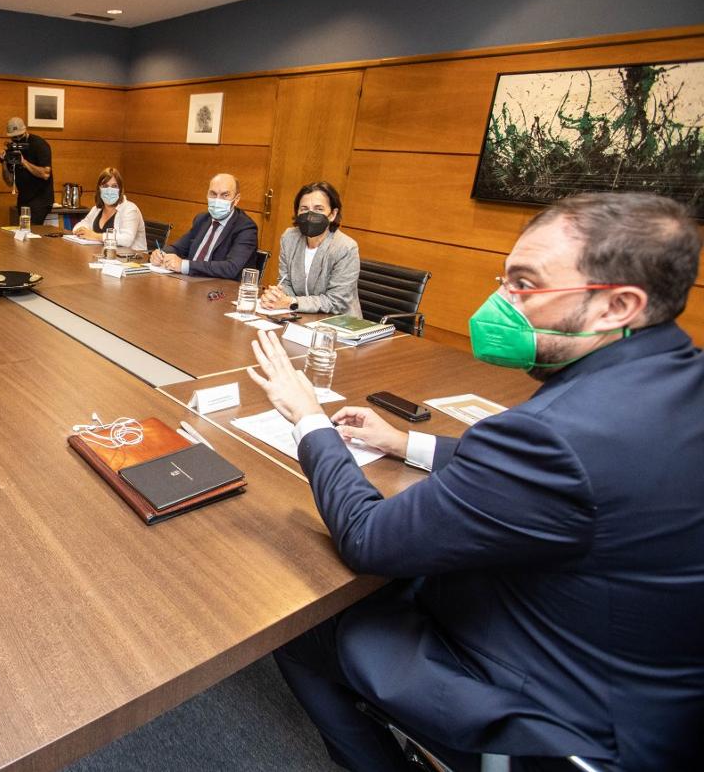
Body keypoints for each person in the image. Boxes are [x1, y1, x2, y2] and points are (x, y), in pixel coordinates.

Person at [245, 192, 704, 771]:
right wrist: (404, 442)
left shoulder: (555, 436)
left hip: (561, 717)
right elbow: (565, 471)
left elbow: (368, 537)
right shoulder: (670, 381)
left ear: (617, 306)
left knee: (298, 624)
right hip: (651, 687)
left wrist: (308, 416)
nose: (499, 302)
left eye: (524, 285)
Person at [261, 181, 361, 316]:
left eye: (319, 209)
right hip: (301, 317)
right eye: (304, 209)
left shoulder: (345, 247)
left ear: (332, 214)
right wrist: (277, 296)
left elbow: (336, 302)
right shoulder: (289, 238)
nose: (310, 215)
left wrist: (290, 302)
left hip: (338, 324)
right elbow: (286, 282)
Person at [149, 173, 258, 279]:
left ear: (236, 199)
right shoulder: (202, 219)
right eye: (213, 194)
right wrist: (161, 254)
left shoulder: (246, 228)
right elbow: (178, 248)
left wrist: (184, 265)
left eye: (225, 195)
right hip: (188, 282)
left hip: (219, 290)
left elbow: (231, 268)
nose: (217, 200)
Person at [72, 167, 146, 250]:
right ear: (99, 189)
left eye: (114, 186)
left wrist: (95, 236)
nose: (109, 190)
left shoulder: (130, 209)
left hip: (131, 259)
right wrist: (82, 231)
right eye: (105, 186)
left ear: (120, 189)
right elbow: (79, 226)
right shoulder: (96, 209)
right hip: (104, 256)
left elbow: (127, 240)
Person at [0, 116, 54, 223]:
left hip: (40, 199)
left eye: (20, 136)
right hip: (23, 198)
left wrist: (24, 162)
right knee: (23, 232)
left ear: (25, 131)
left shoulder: (39, 145)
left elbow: (45, 174)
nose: (18, 140)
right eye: (14, 138)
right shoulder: (12, 149)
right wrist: (3, 162)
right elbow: (9, 181)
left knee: (32, 231)